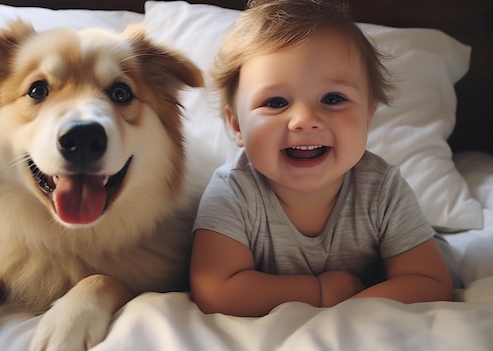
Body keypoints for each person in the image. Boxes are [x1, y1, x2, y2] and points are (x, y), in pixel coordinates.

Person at [190, 0, 456, 317]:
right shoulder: (232, 193)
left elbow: (430, 281)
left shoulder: (381, 188)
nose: (304, 119)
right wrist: (320, 292)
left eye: (333, 98)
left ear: (368, 115)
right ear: (237, 126)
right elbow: (215, 289)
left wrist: (348, 310)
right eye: (275, 102)